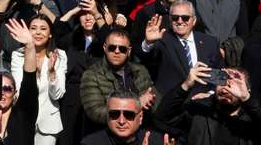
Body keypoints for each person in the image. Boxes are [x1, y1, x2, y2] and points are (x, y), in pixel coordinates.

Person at [152, 64, 261, 145]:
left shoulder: (254, 116)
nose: (226, 87)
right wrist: (186, 85)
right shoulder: (199, 110)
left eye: (234, 83)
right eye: (222, 80)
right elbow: (162, 118)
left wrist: (246, 98)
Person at [138, 0, 223, 94]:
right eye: (175, 17)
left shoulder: (209, 42)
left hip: (203, 102)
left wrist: (210, 94)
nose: (180, 21)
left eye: (185, 18)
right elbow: (147, 60)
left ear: (194, 21)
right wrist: (148, 43)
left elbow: (219, 74)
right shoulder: (162, 39)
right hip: (171, 101)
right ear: (170, 20)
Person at [80, 29, 155, 129]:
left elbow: (154, 104)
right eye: (112, 47)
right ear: (104, 48)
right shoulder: (92, 74)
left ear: (129, 51)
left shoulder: (140, 71)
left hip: (138, 134)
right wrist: (136, 104)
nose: (117, 51)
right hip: (105, 136)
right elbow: (95, 113)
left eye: (122, 49)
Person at [8, 16, 66, 144]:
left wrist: (51, 72)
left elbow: (57, 94)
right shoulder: (17, 55)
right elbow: (18, 90)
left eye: (43, 29)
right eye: (33, 28)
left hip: (48, 123)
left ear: (50, 34)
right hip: (23, 120)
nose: (38, 32)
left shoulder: (60, 55)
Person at [80, 91, 156, 145]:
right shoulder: (91, 143)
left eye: (129, 115)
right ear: (107, 116)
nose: (121, 121)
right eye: (114, 114)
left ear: (140, 117)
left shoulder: (156, 141)